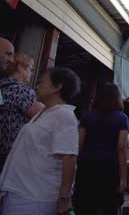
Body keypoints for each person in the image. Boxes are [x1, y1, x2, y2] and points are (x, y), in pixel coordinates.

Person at [0, 67, 81, 214]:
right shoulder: (45, 112)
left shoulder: (64, 115)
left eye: (41, 82)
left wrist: (64, 198)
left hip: (34, 198)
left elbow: (69, 158)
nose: (36, 86)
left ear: (57, 87)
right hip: (19, 192)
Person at [73, 83, 129, 215]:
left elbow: (79, 145)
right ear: (117, 98)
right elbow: (121, 148)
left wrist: (75, 168)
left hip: (87, 166)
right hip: (110, 168)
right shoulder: (122, 118)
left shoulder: (87, 116)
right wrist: (123, 177)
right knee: (109, 207)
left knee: (85, 207)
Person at [0, 50, 43, 171]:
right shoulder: (22, 91)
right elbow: (46, 116)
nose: (32, 73)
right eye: (30, 68)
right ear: (20, 68)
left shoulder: (1, 88)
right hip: (14, 154)